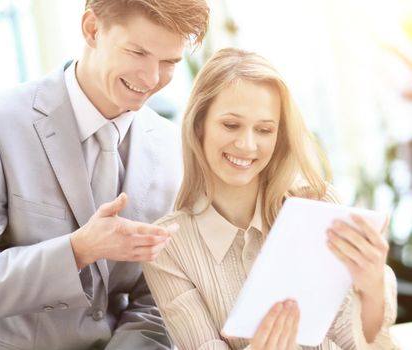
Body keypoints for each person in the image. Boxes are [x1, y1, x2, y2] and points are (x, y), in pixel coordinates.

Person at [142, 48, 399, 350]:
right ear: (199, 124)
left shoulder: (319, 204)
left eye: (264, 129)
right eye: (231, 125)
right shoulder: (168, 247)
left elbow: (356, 341)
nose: (247, 144)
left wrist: (371, 290)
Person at [0, 1, 208, 349]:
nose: (152, 78)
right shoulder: (5, 124)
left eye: (169, 62)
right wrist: (78, 250)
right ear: (92, 29)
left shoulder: (174, 148)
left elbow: (160, 299)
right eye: (138, 52)